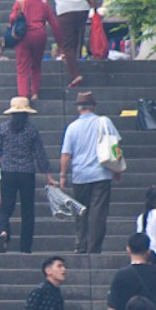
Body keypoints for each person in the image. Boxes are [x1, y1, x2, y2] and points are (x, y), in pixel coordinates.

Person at [58, 93, 118, 255]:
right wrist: (117, 169)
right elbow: (115, 146)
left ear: (78, 108)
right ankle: (94, 247)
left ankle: (80, 244)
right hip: (102, 173)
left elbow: (66, 154)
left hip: (80, 175)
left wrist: (63, 175)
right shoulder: (104, 122)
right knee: (98, 213)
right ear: (93, 106)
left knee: (80, 211)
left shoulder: (72, 127)